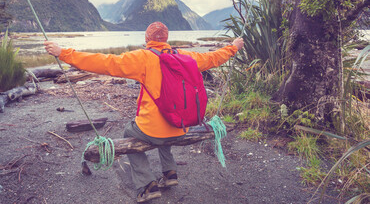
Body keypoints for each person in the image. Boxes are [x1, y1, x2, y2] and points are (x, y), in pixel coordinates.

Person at [44, 21, 244, 203]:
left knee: (130, 132)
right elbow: (213, 58)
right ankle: (170, 173)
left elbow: (105, 62)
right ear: (165, 39)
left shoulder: (142, 58)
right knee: (168, 119)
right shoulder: (186, 56)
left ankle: (148, 185)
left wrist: (63, 53)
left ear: (147, 40)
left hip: (153, 132)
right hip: (181, 127)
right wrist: (233, 47)